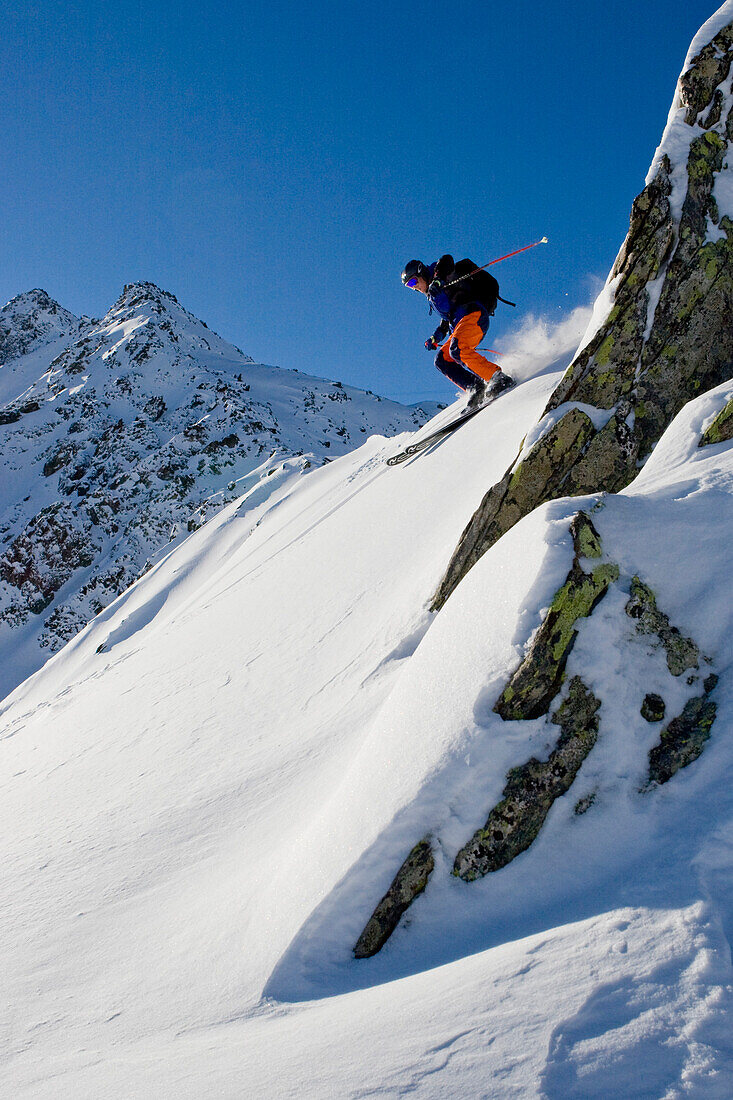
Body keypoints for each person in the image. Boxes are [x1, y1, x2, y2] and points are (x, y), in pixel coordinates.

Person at [401, 256, 513, 409]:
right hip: (459, 324)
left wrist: (439, 279)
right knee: (442, 360)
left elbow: (447, 259)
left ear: (421, 272)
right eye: (409, 286)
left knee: (457, 349)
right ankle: (475, 386)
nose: (414, 288)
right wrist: (436, 337)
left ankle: (498, 378)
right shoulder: (432, 295)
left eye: (413, 282)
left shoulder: (440, 273)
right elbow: (446, 320)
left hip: (474, 315)